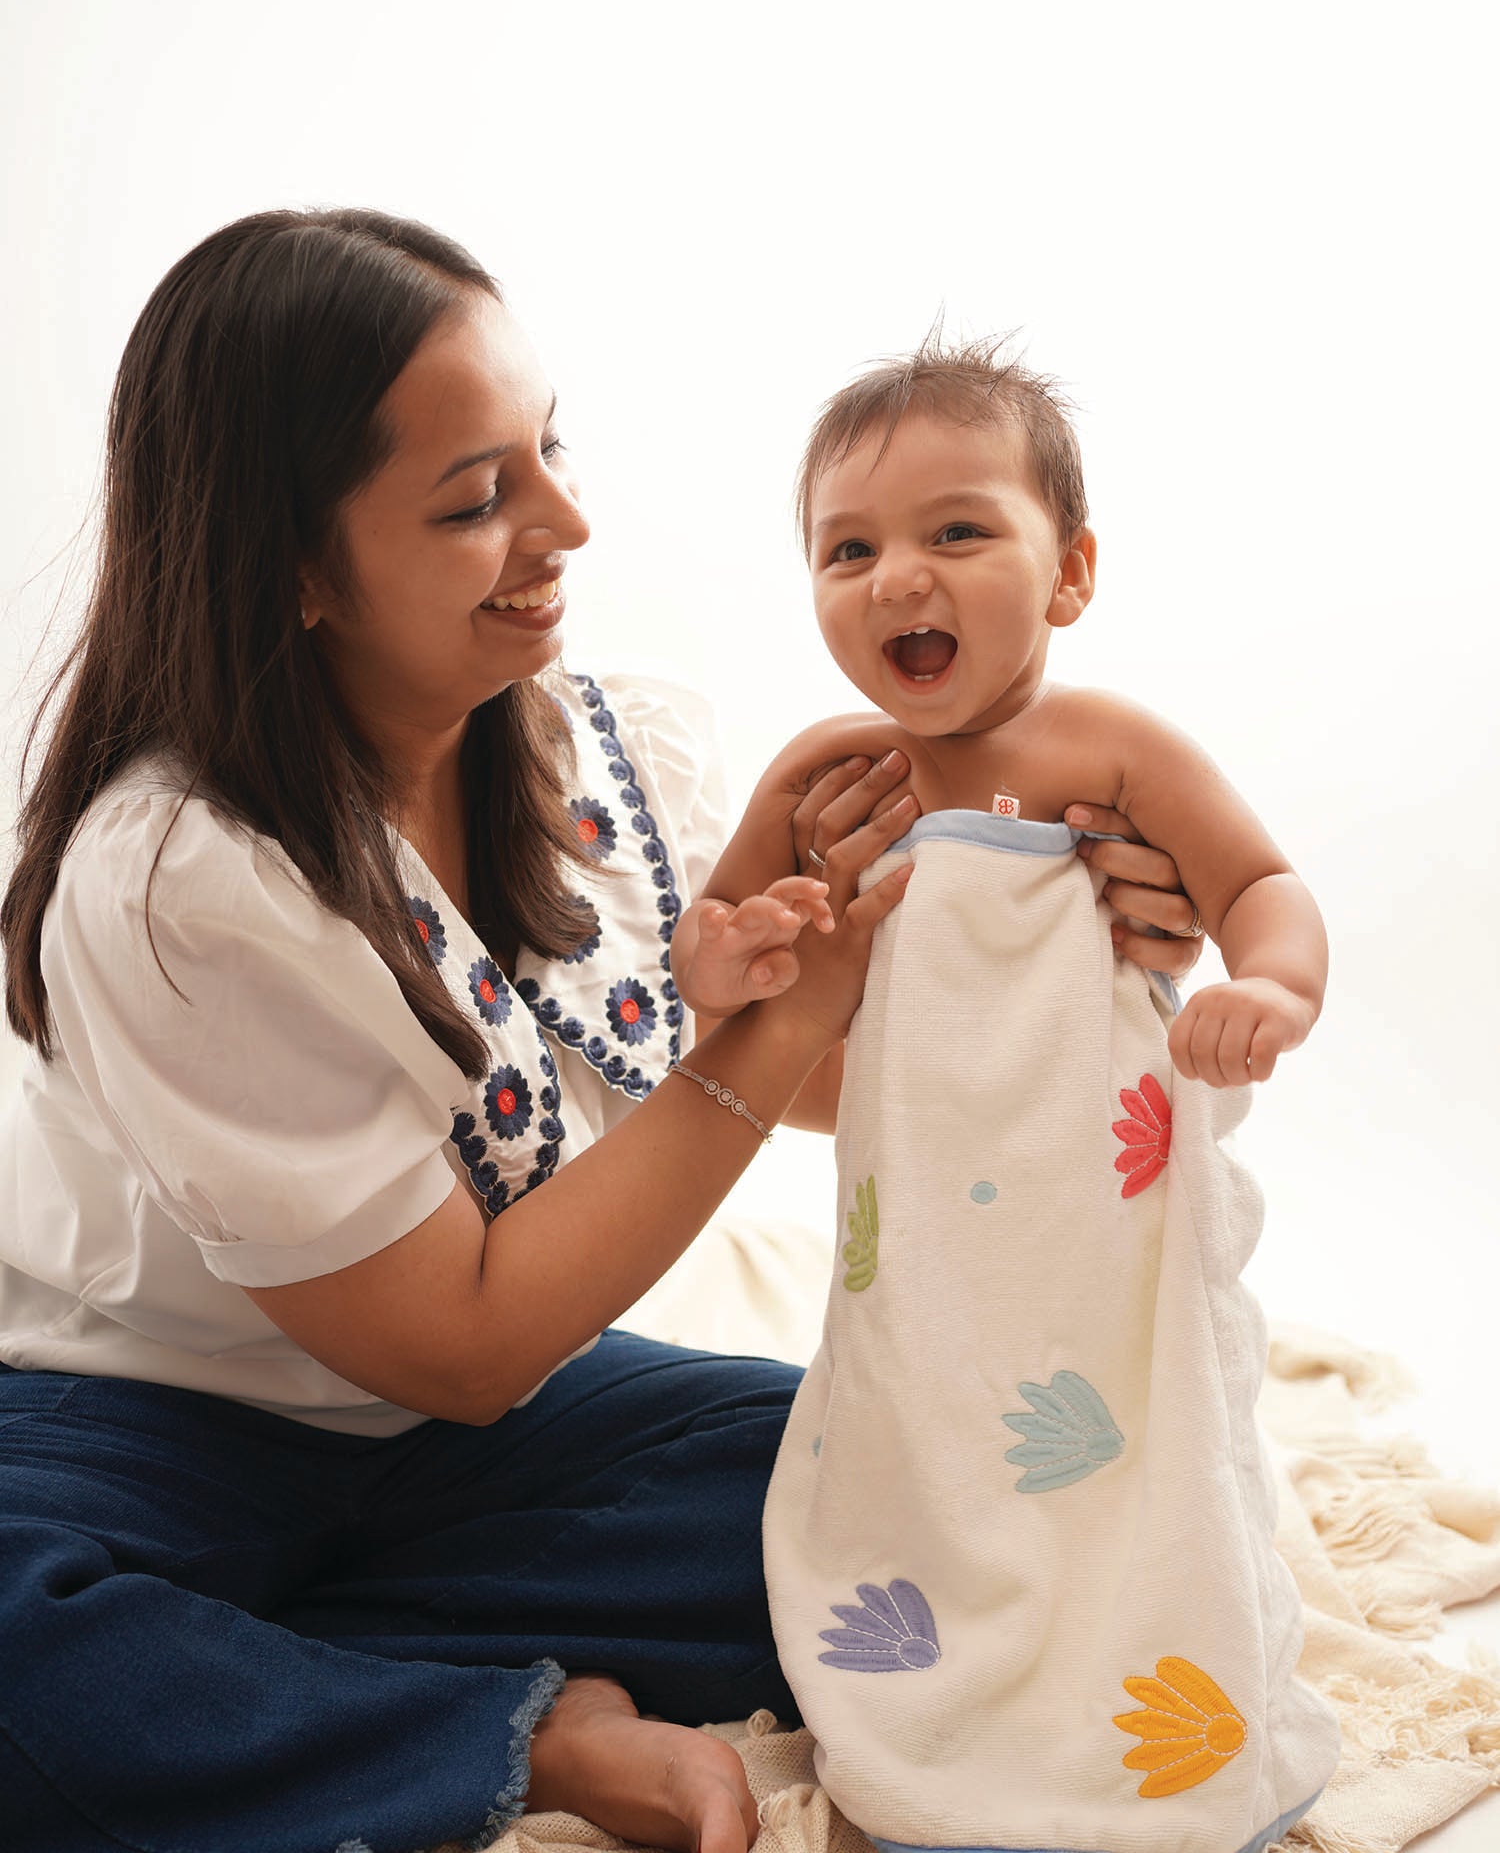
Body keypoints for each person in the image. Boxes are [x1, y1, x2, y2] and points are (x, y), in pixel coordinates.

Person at [0, 217, 1201, 1853]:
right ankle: (511, 1732)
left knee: (907, 1491)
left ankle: (279, 1678)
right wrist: (772, 1030)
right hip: (152, 1422)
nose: (564, 523)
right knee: (22, 1652)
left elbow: (834, 1085)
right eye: (475, 498)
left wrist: (1074, 953)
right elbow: (469, 1336)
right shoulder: (180, 883)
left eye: (546, 450)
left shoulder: (584, 747)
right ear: (288, 562)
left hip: (464, 1446)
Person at [670, 338, 1342, 1853]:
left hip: (1098, 1224)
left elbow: (1263, 883)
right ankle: (944, 1710)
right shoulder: (829, 778)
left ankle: (1137, 1695)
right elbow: (711, 971)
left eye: (956, 531)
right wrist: (723, 956)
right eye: (851, 549)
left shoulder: (1110, 751)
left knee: (1136, 1462)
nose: (899, 576)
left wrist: (1271, 991)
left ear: (1071, 571)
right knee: (921, 1441)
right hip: (915, 1238)